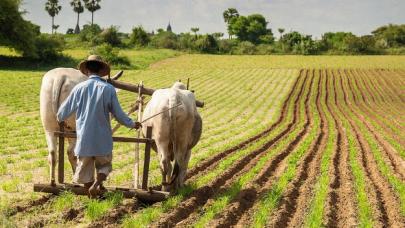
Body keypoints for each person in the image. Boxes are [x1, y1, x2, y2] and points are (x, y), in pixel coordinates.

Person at [57, 55, 141, 197]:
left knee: (84, 171)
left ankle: (92, 194)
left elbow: (61, 113)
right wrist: (133, 124)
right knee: (104, 166)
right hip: (103, 139)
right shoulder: (108, 89)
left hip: (84, 139)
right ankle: (97, 185)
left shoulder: (78, 88)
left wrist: (61, 120)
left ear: (87, 70)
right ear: (101, 70)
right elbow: (119, 114)